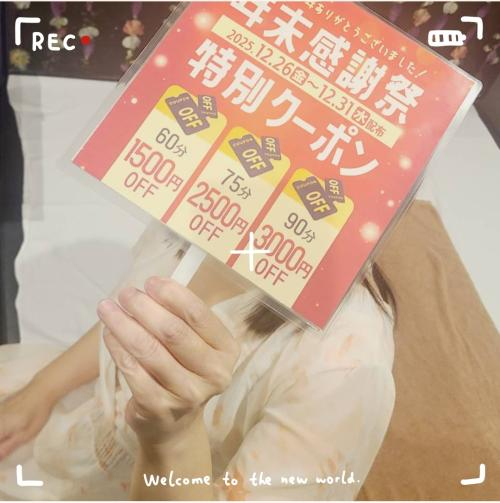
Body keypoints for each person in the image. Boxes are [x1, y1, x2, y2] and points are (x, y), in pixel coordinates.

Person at [0, 221, 395, 500]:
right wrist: (42, 388)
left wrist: (173, 433)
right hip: (75, 439)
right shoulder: (202, 209)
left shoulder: (343, 367)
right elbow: (135, 317)